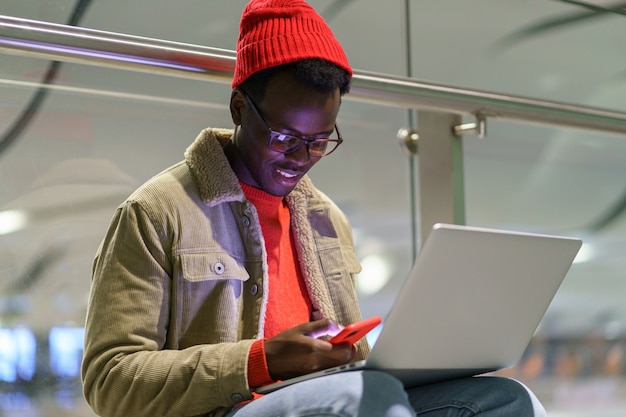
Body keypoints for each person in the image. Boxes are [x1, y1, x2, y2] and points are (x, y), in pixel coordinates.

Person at [81, 1, 547, 416]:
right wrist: (260, 362)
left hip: (335, 399)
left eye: (320, 140)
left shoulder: (326, 220)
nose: (302, 158)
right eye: (285, 138)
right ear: (240, 108)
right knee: (363, 400)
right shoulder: (155, 212)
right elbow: (110, 382)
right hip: (230, 409)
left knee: (505, 399)